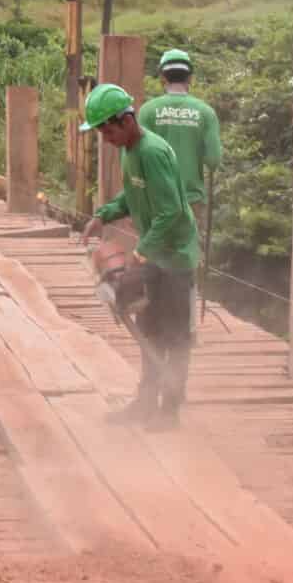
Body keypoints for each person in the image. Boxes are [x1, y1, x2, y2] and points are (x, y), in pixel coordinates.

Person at [80, 84, 200, 429]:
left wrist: (141, 254)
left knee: (175, 335)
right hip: (155, 252)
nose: (105, 138)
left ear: (127, 119)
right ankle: (146, 402)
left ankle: (170, 410)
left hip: (175, 256)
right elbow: (133, 196)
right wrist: (104, 214)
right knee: (148, 328)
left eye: (107, 129)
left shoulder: (151, 152)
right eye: (100, 131)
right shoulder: (129, 150)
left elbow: (171, 211)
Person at [138, 48, 223, 333]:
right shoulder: (205, 113)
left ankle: (151, 320)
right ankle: (185, 325)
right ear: (191, 77)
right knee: (184, 259)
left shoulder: (149, 111)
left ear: (162, 76)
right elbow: (213, 160)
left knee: (153, 255)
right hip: (189, 201)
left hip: (154, 201)